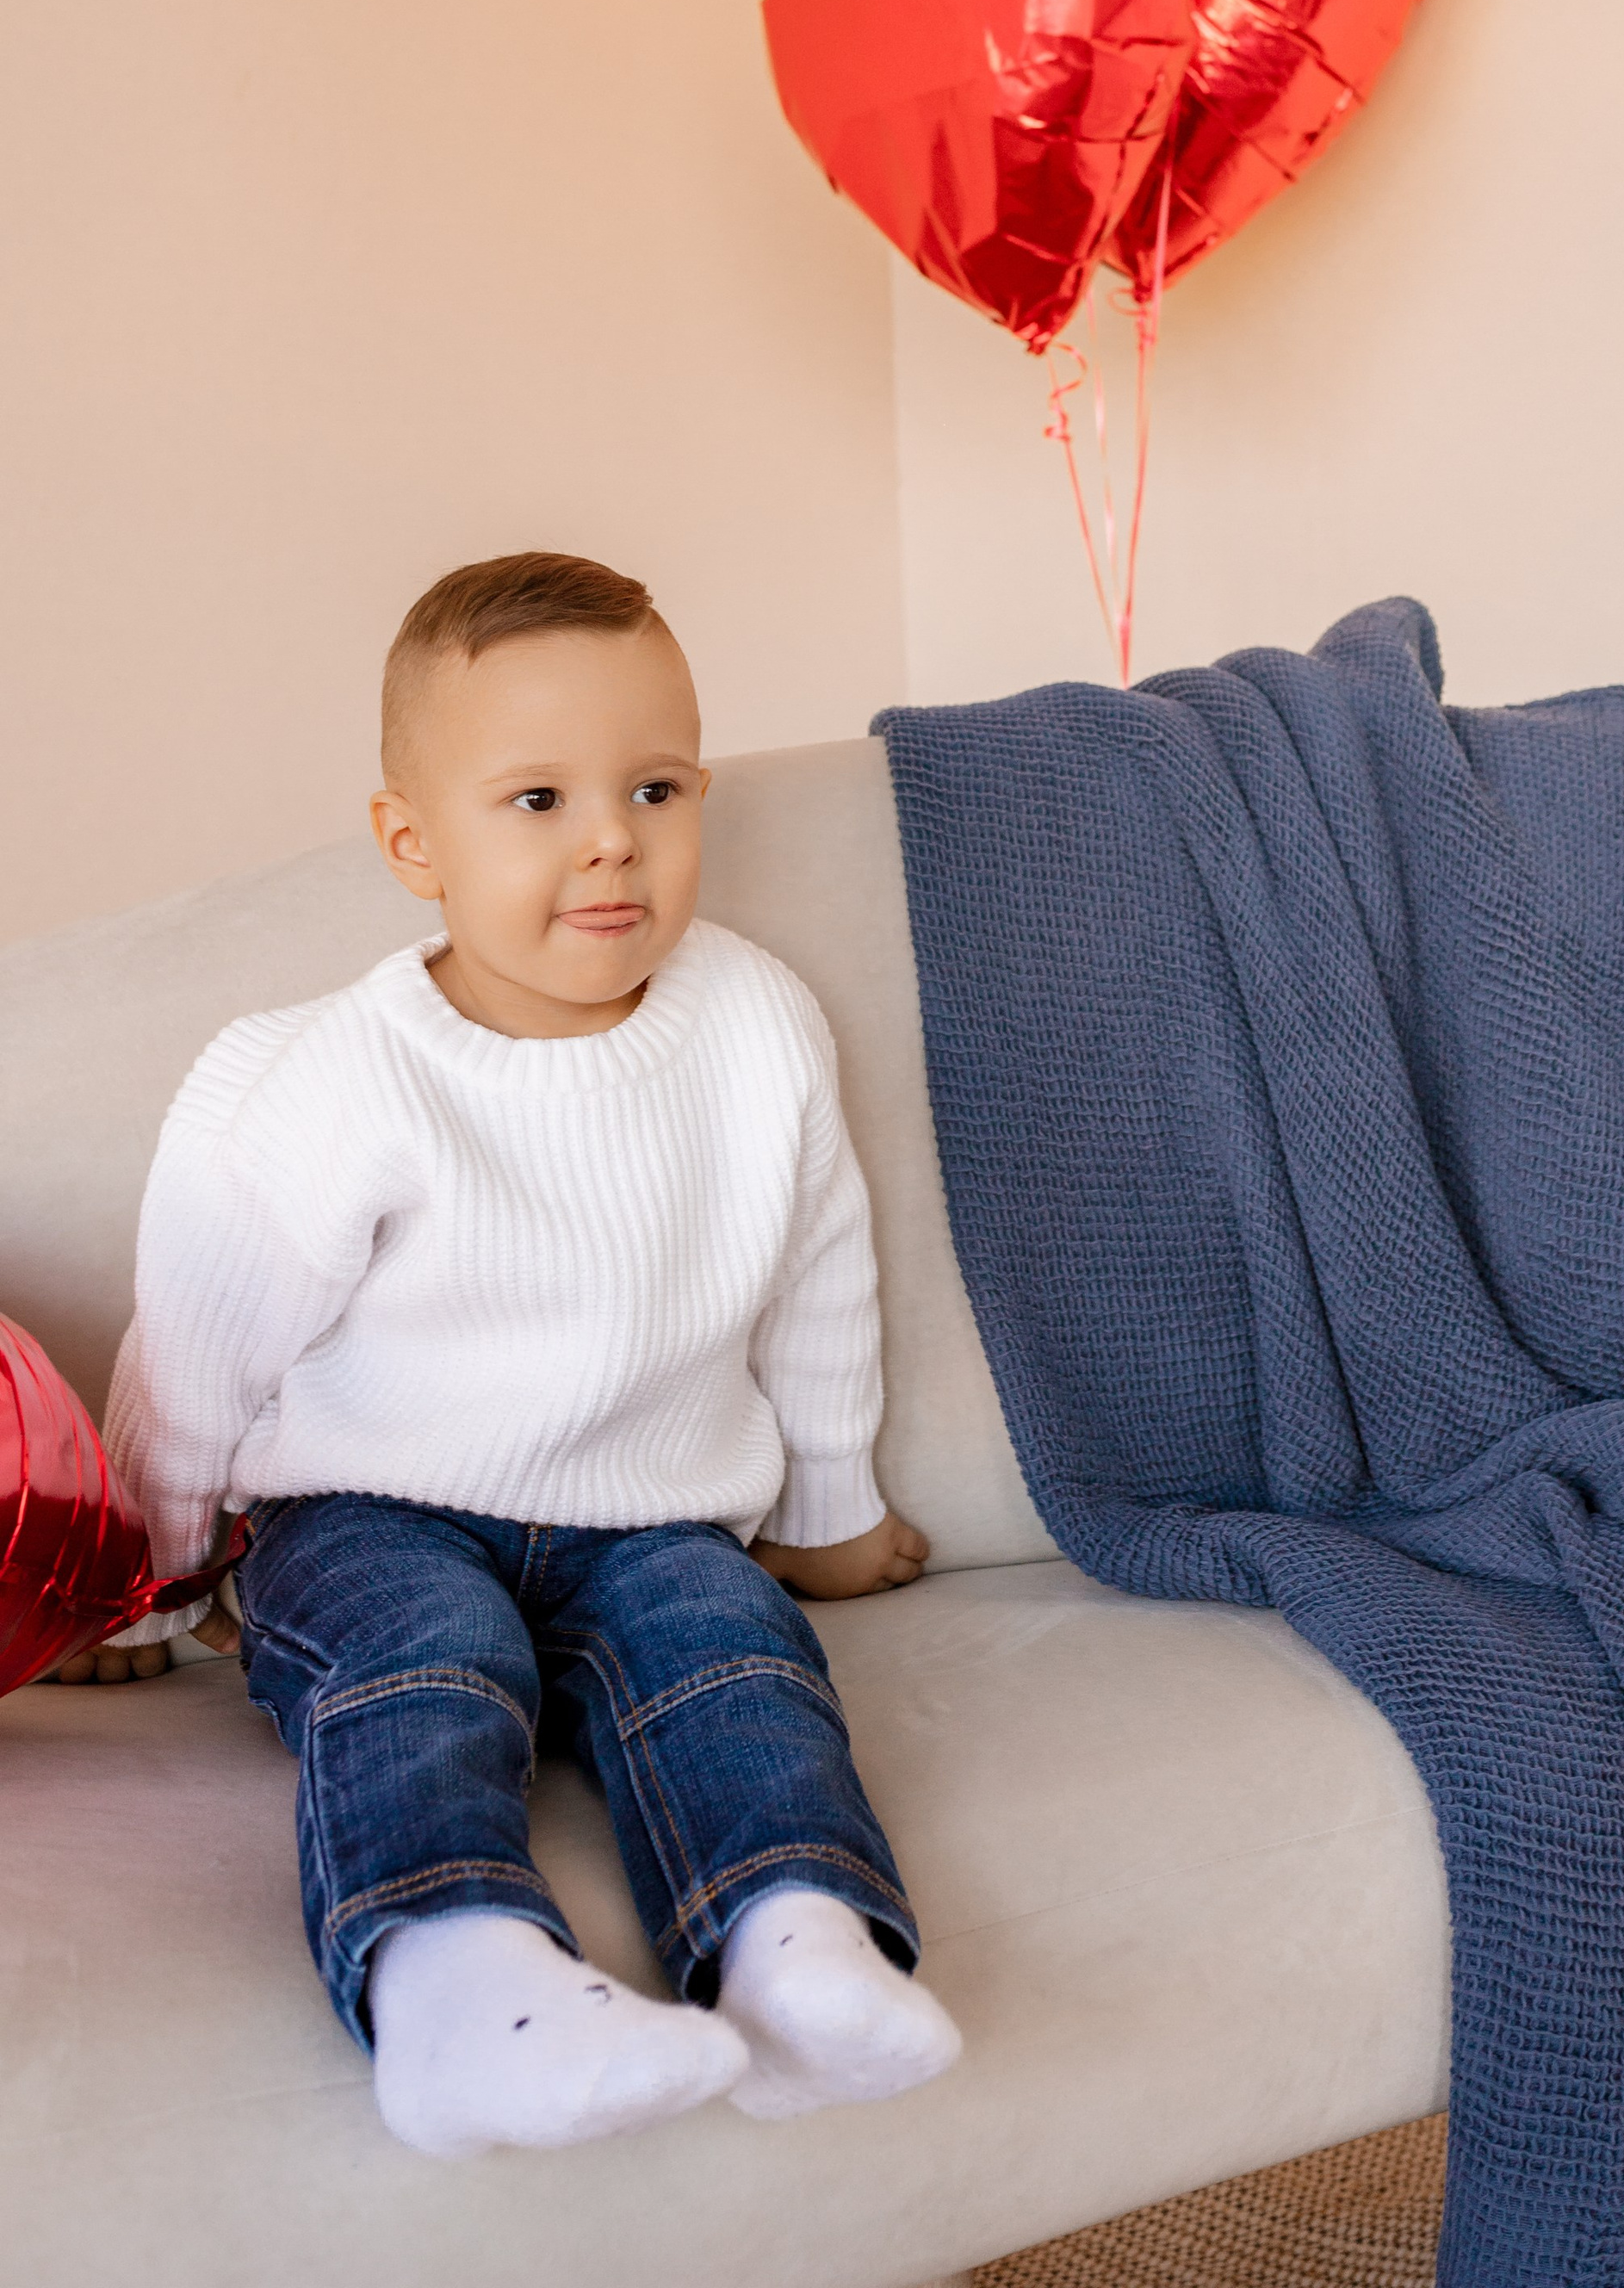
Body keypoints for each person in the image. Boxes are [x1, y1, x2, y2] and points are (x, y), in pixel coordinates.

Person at [64, 549, 961, 2159]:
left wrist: (828, 1511)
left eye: (658, 786)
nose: (613, 837)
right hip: (366, 1511)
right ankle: (462, 1984)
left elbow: (818, 1281)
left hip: (650, 1515)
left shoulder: (756, 1026)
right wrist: (146, 1574)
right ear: (416, 843)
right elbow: (198, 1351)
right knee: (425, 1666)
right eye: (537, 800)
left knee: (733, 1660)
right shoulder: (333, 1086)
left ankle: (798, 1945)